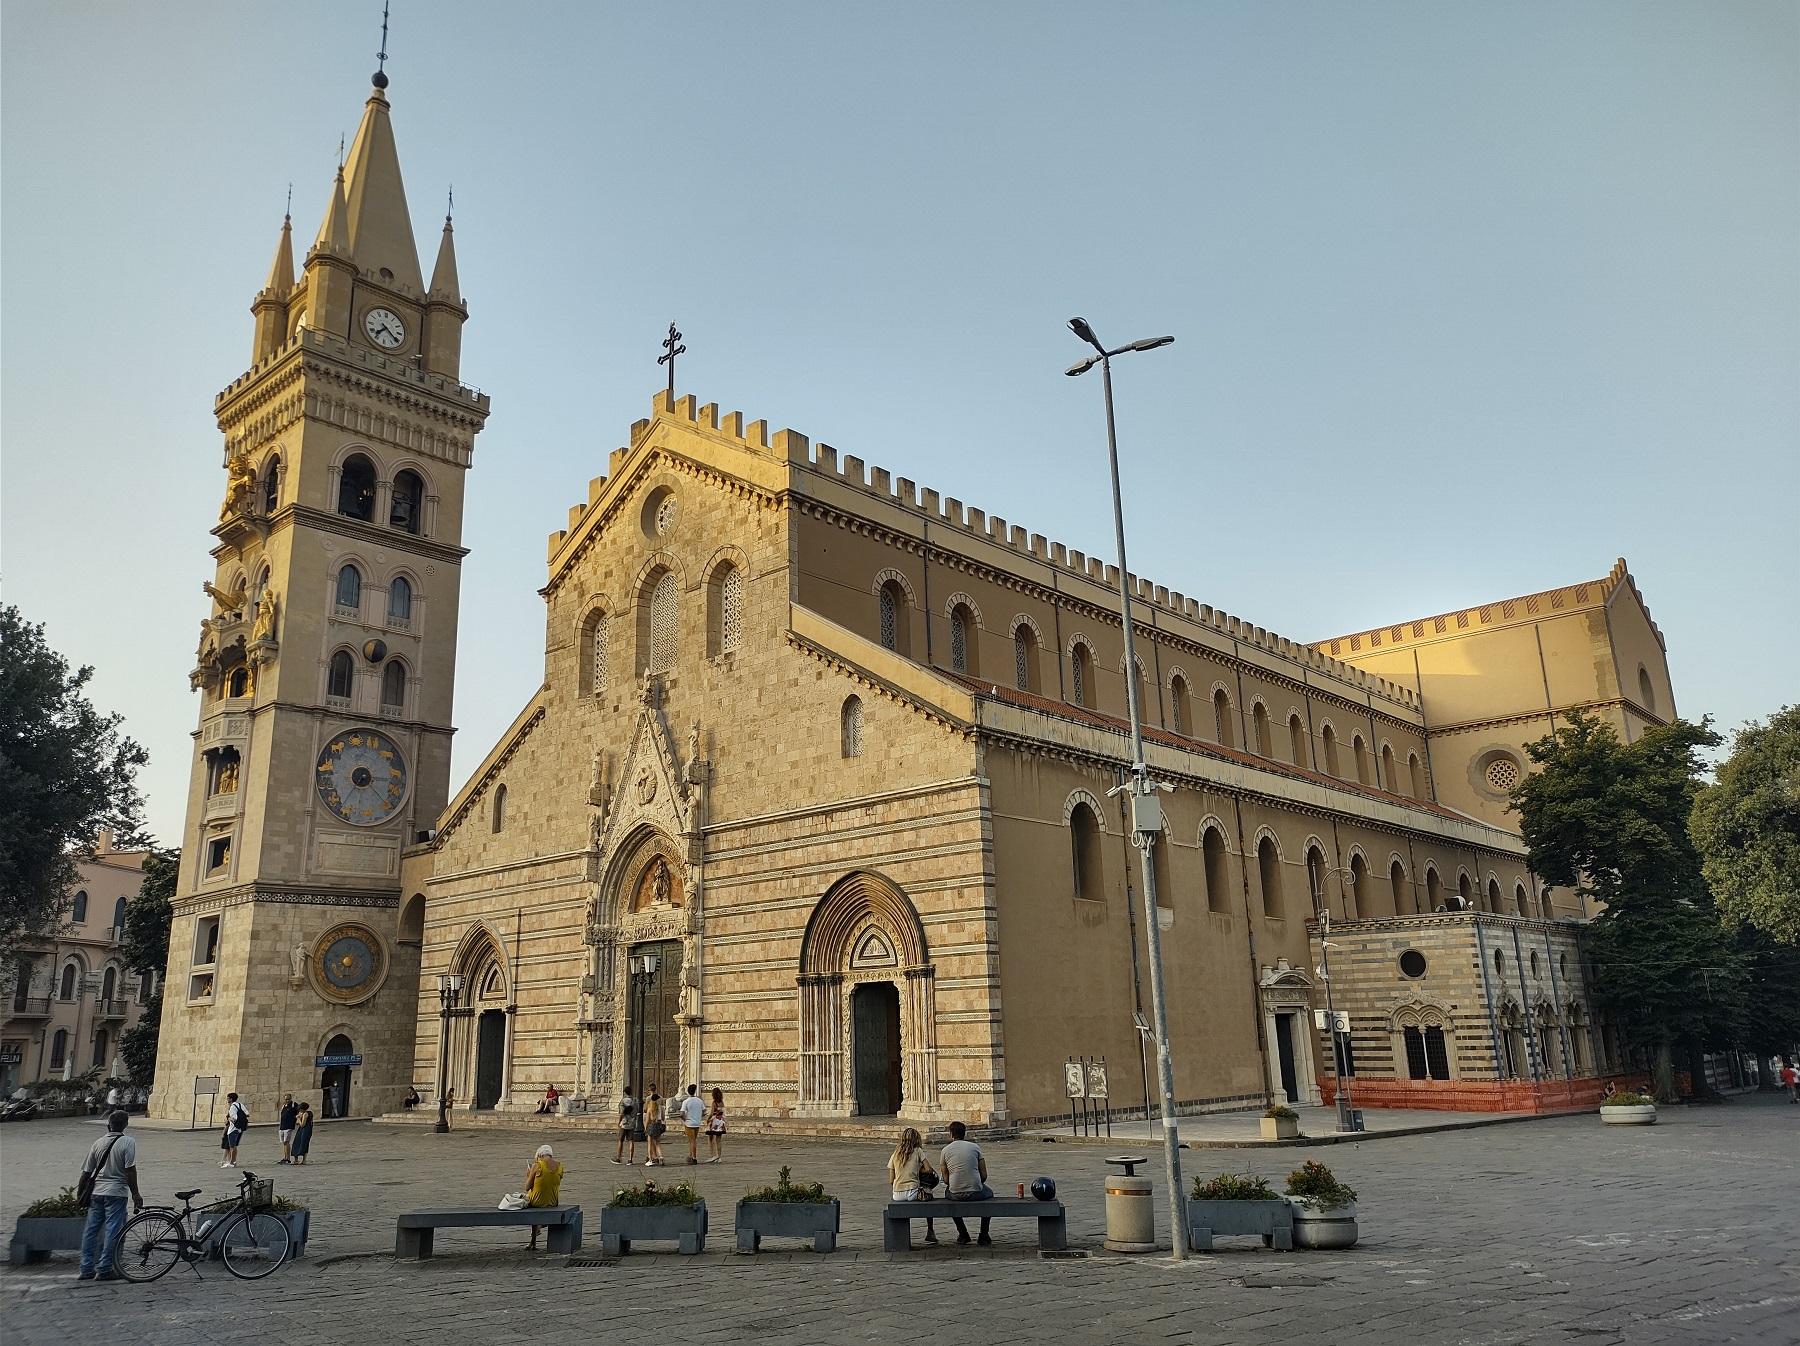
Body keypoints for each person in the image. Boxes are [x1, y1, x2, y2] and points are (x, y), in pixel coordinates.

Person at [78, 1111, 143, 1281]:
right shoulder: (128, 1142)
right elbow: (130, 1170)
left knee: (90, 1231)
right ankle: (105, 1267)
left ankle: (86, 1268)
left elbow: (86, 1172)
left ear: (109, 1125)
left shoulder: (98, 1143)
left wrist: (80, 1194)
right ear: (126, 1124)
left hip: (97, 1192)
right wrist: (136, 1194)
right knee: (113, 1231)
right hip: (116, 1192)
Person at [939, 1120, 992, 1245]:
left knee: (949, 1196)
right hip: (976, 1192)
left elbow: (946, 1180)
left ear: (951, 1134)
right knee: (989, 1195)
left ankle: (963, 1233)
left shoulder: (945, 1151)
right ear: (965, 1133)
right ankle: (983, 1234)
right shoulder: (975, 1147)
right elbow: (984, 1175)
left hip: (955, 1193)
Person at [887, 1126, 939, 1246]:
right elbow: (929, 1169)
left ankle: (899, 1239)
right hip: (912, 1192)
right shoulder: (918, 1151)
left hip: (897, 1194)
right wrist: (918, 1170)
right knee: (929, 1196)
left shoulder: (896, 1153)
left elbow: (891, 1180)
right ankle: (930, 1232)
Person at [523, 1144, 564, 1251]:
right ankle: (533, 1241)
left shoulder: (537, 1165)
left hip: (537, 1203)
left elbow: (527, 1187)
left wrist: (529, 1174)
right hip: (553, 1201)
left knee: (531, 1199)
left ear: (540, 1155)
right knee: (540, 1197)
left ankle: (534, 1241)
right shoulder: (560, 1166)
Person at [679, 1084, 707, 1164]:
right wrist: (699, 1116)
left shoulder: (686, 1102)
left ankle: (694, 1158)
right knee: (693, 1140)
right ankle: (691, 1156)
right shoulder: (699, 1101)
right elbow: (704, 1111)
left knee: (692, 1140)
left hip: (689, 1124)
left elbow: (681, 1113)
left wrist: (684, 1119)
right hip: (697, 1123)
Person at [220, 1092, 249, 1168]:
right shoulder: (240, 1105)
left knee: (232, 1146)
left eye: (228, 1098)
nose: (227, 1099)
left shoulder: (233, 1107)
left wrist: (228, 1118)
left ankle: (232, 1162)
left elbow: (234, 1119)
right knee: (233, 1145)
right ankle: (232, 1161)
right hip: (239, 1128)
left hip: (233, 1128)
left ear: (231, 1099)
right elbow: (247, 1114)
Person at [613, 1085, 639, 1164]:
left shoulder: (623, 1102)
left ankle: (618, 1157)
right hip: (632, 1123)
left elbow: (621, 1114)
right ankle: (630, 1159)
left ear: (625, 1093)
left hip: (624, 1124)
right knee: (631, 1141)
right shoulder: (636, 1101)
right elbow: (637, 1111)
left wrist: (619, 1123)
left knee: (621, 1140)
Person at [644, 1089, 665, 1166]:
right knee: (658, 1143)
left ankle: (650, 1159)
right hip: (658, 1126)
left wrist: (645, 1128)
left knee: (650, 1144)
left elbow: (647, 1120)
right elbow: (663, 1118)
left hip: (651, 1126)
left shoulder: (649, 1109)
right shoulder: (660, 1108)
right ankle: (661, 1157)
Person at [705, 1086, 726, 1163]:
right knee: (719, 1140)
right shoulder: (722, 1102)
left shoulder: (714, 1103)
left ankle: (713, 1155)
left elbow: (711, 1113)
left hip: (715, 1121)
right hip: (721, 1121)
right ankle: (719, 1156)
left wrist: (707, 1119)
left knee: (710, 1138)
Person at [289, 1099, 314, 1165]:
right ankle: (302, 1160)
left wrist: (298, 1118)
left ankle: (300, 1160)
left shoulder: (305, 1114)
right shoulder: (310, 1113)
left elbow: (302, 1124)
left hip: (305, 1129)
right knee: (301, 1143)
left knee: (301, 1143)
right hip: (306, 1129)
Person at [277, 1094, 298, 1164]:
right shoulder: (284, 1106)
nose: (287, 1101)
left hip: (289, 1126)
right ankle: (285, 1157)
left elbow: (298, 1113)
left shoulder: (293, 1105)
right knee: (284, 1143)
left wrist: (295, 1119)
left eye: (288, 1099)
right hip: (282, 1126)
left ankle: (288, 1158)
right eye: (286, 1099)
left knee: (286, 1142)